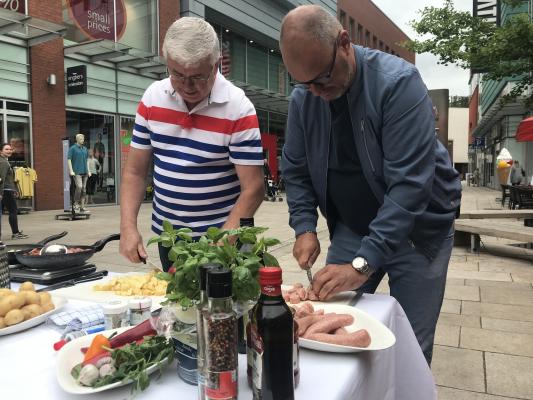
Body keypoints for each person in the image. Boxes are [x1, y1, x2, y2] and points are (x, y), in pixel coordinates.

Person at [280, 5, 461, 364]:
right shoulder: (305, 98)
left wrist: (362, 265)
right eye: (304, 83)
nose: (315, 92)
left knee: (409, 344)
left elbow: (410, 187)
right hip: (354, 226)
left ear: (344, 43)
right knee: (328, 328)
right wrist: (304, 227)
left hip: (420, 229)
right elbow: (296, 169)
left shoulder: (399, 84)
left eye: (323, 78)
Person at [119, 17, 265, 271]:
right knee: (177, 308)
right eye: (177, 74)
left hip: (223, 235)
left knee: (224, 307)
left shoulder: (238, 108)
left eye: (198, 76)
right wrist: (127, 227)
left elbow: (254, 188)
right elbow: (135, 172)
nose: (187, 86)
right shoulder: (153, 98)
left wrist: (221, 241)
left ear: (216, 63)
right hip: (171, 238)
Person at [0, 143, 29, 242]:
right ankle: (15, 233)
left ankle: (15, 232)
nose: (9, 151)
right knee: (13, 211)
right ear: (1, 151)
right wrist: (1, 193)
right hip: (5, 191)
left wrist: (14, 189)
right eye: (6, 149)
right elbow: (1, 179)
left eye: (10, 149)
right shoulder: (3, 162)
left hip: (7, 190)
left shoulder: (4, 161)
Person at [68, 134, 92, 213]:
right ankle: (75, 203)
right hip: (76, 171)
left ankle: (82, 206)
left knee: (84, 189)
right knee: (79, 187)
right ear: (77, 139)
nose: (83, 140)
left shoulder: (85, 149)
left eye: (83, 138)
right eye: (81, 139)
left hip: (85, 172)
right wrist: (71, 170)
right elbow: (69, 160)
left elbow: (87, 160)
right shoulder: (72, 148)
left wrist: (88, 170)